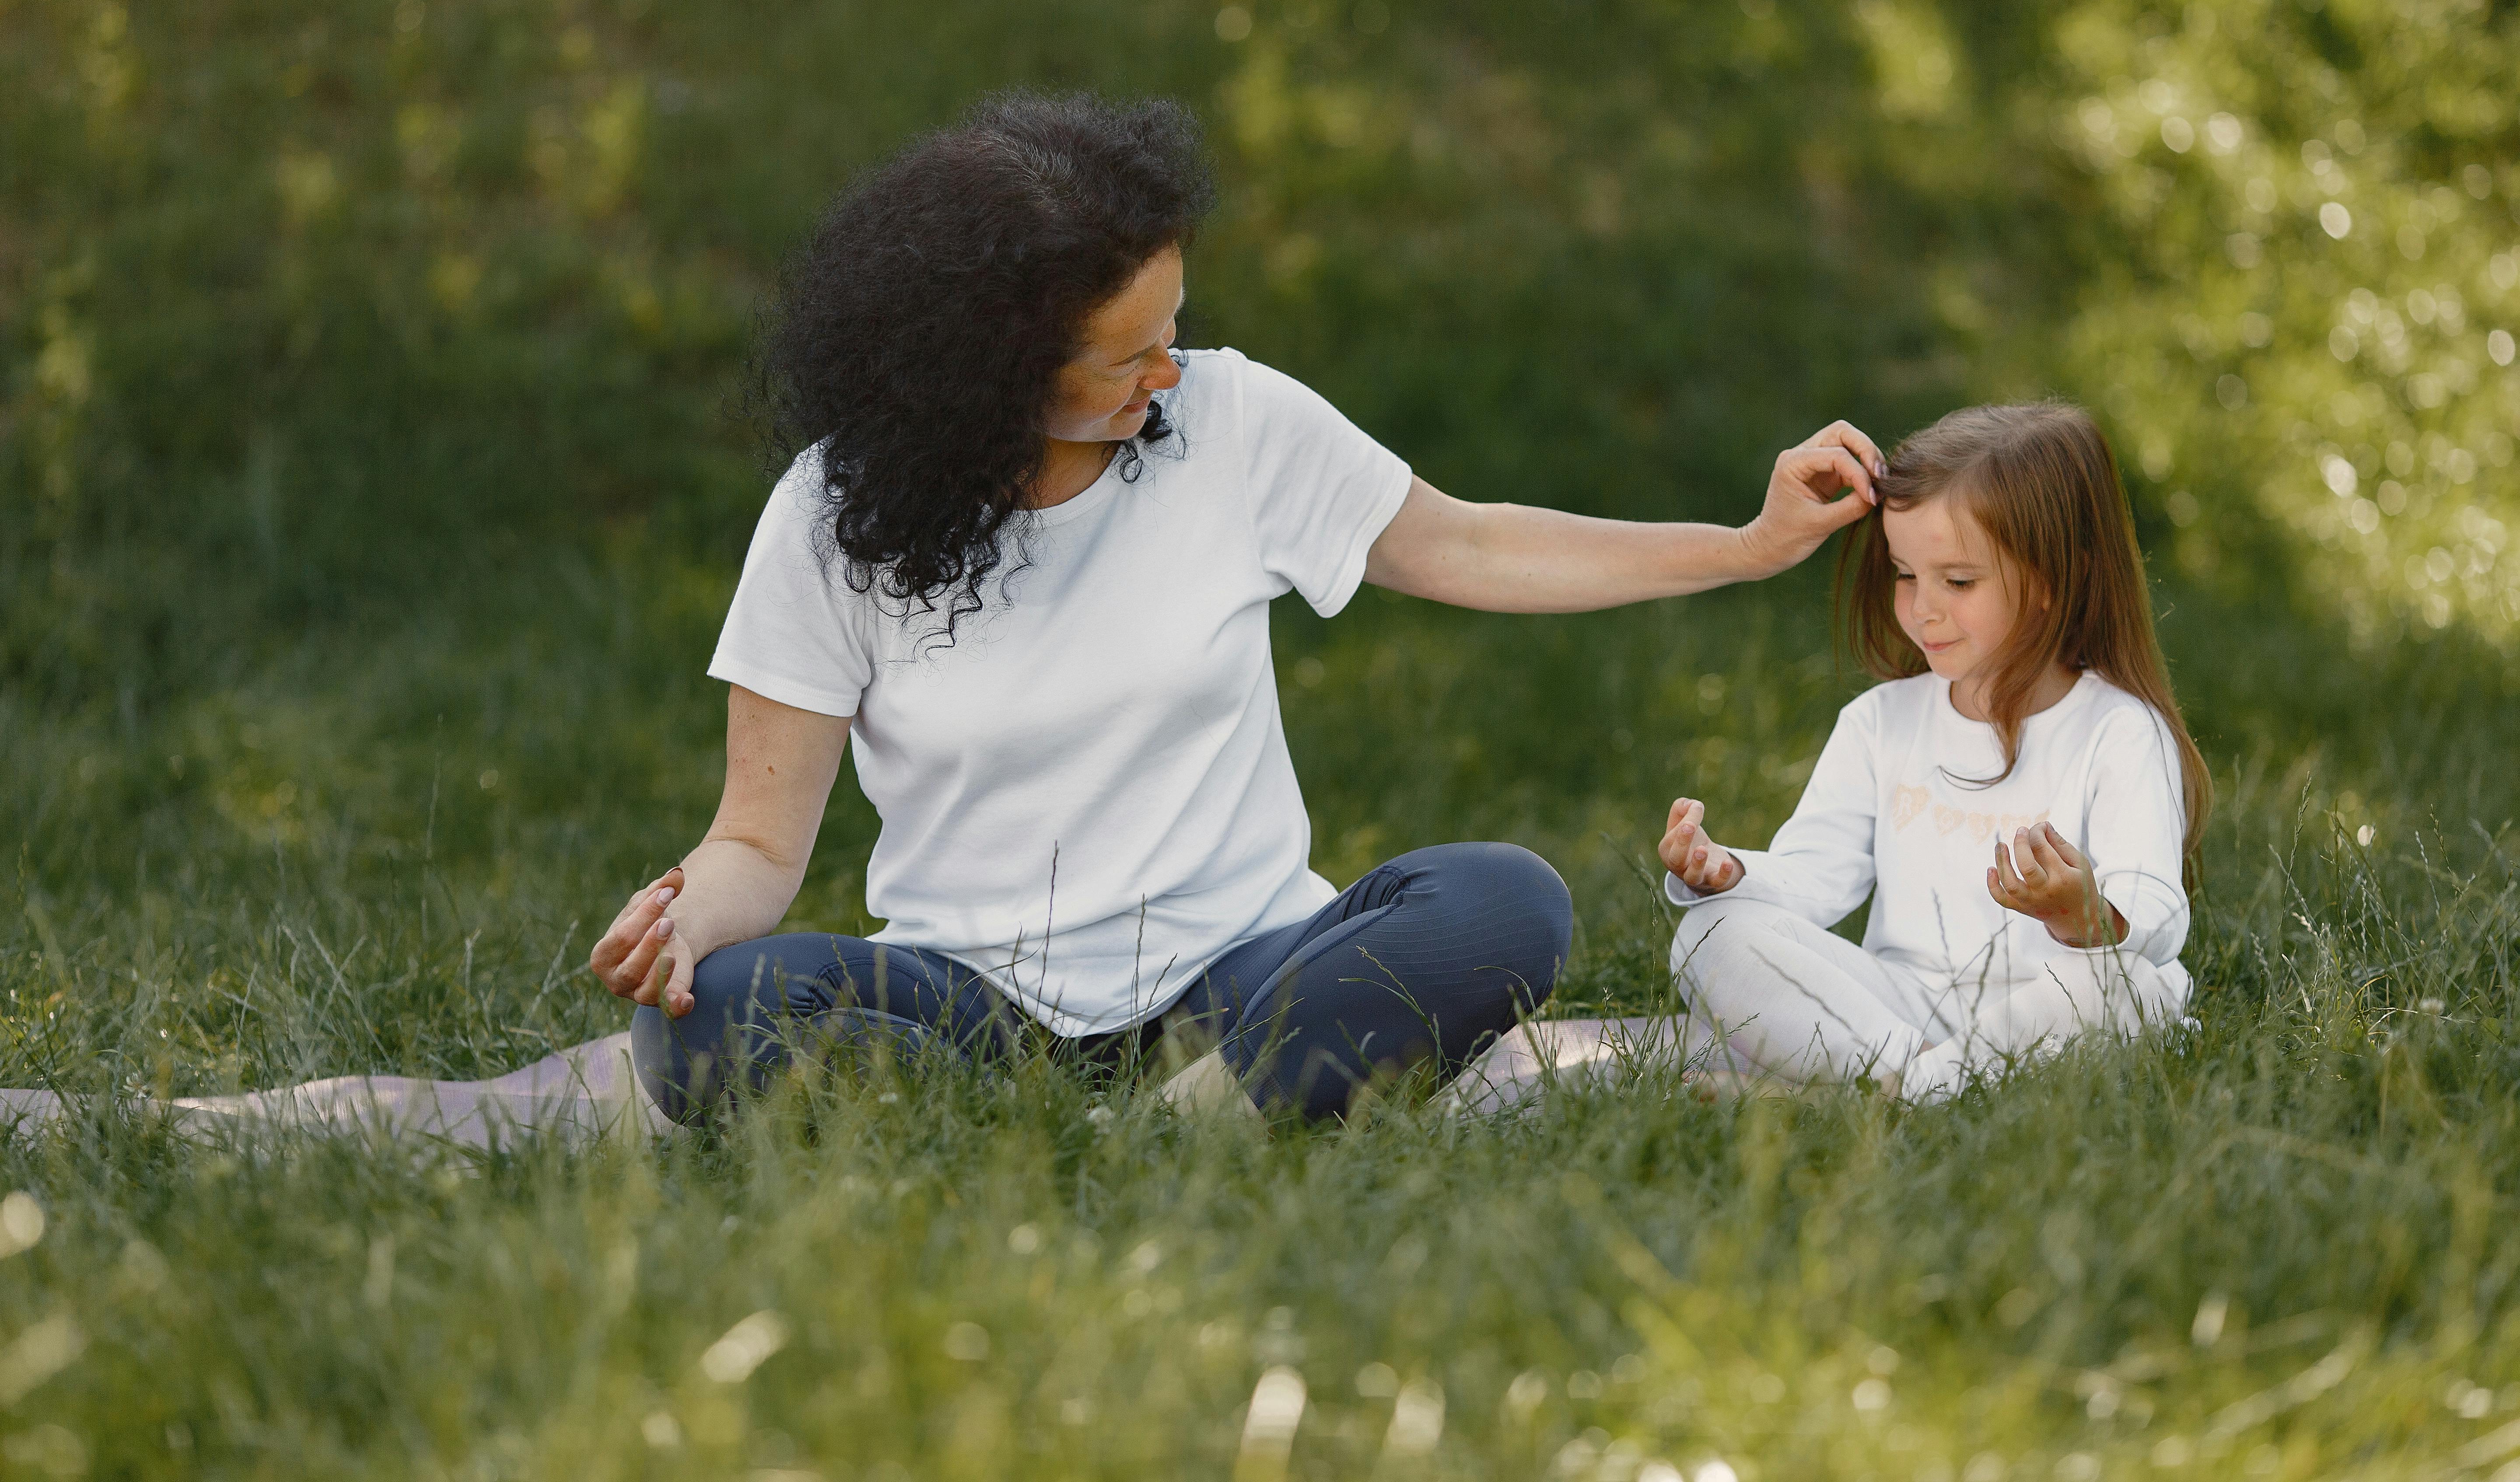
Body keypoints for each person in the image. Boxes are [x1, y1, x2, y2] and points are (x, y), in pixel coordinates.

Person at [589, 90, 1885, 1123]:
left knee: (1504, 904)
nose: (1169, 369)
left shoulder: (1232, 420)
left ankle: (1154, 1125)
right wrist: (684, 926)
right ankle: (1122, 1108)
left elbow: (1474, 545)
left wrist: (1742, 547)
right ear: (983, 375)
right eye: (1124, 356)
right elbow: (757, 849)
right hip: (966, 993)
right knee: (708, 1025)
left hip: (1248, 971)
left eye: (1177, 325)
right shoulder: (833, 516)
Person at [1658, 402, 2212, 1101]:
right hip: (1899, 1010)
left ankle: (1860, 1095)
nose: (1923, 608)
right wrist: (1729, 872)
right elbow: (1815, 875)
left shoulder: (2118, 730)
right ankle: (1922, 1083)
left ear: (2051, 579)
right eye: (1903, 574)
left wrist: (2084, 912)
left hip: (2051, 1000)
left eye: (1957, 581)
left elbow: (2156, 913)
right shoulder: (1879, 723)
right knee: (1710, 935)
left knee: (2130, 989)